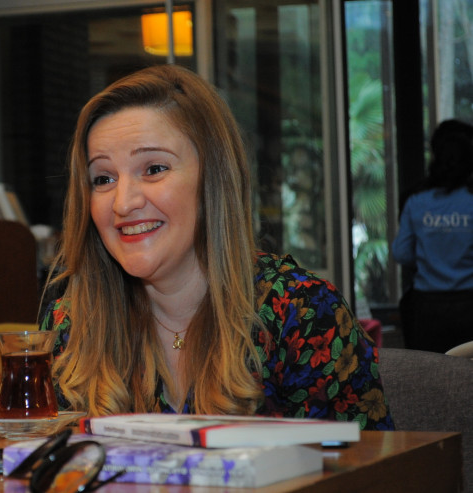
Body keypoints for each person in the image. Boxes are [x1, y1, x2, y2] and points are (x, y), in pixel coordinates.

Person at [40, 64, 394, 430]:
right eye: (103, 178)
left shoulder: (302, 314)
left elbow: (370, 462)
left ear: (212, 178)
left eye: (154, 169)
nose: (123, 202)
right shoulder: (71, 326)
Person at [392, 119, 473, 353]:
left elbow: (401, 253)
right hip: (469, 304)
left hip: (428, 307)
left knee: (428, 369)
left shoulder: (416, 202)